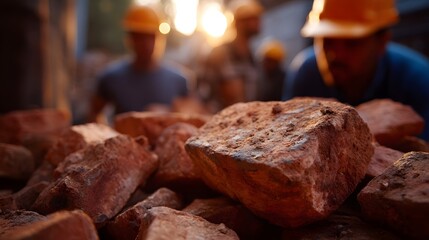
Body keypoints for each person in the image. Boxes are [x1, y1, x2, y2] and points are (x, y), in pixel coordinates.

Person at [283, 0, 429, 140]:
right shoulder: (306, 75)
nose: (336, 55)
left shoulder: (419, 83)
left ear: (382, 42)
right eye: (327, 40)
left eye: (352, 43)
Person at [88, 5, 189, 122]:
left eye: (150, 36)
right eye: (140, 37)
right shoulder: (111, 78)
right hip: (123, 139)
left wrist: (169, 113)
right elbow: (93, 115)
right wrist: (106, 135)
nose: (146, 43)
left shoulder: (178, 81)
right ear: (129, 39)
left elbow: (192, 118)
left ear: (159, 38)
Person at [200, 0, 263, 112]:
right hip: (221, 121)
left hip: (246, 123)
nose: (257, 22)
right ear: (238, 23)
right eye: (251, 18)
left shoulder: (252, 58)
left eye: (257, 18)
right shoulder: (220, 53)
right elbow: (204, 93)